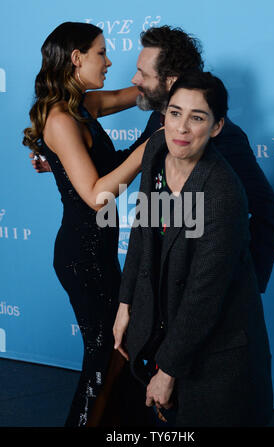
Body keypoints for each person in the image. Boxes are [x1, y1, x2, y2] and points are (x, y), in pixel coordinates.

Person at [33, 25, 274, 295]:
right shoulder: (157, 119)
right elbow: (135, 158)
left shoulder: (225, 137)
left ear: (170, 81)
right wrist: (66, 164)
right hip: (156, 279)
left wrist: (249, 285)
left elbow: (267, 208)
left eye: (142, 73)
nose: (133, 79)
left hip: (205, 281)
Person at [113, 70, 274, 427]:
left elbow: (205, 295)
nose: (181, 128)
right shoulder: (156, 148)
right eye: (174, 112)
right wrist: (126, 303)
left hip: (220, 355)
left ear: (217, 127)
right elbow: (144, 229)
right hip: (172, 330)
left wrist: (167, 371)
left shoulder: (222, 194)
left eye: (197, 117)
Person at [23, 21, 150, 427]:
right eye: (101, 52)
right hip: (82, 257)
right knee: (103, 354)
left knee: (120, 350)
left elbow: (142, 95)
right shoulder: (60, 119)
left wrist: (173, 83)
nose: (110, 60)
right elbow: (97, 195)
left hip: (100, 253)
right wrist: (150, 146)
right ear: (76, 58)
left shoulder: (84, 107)